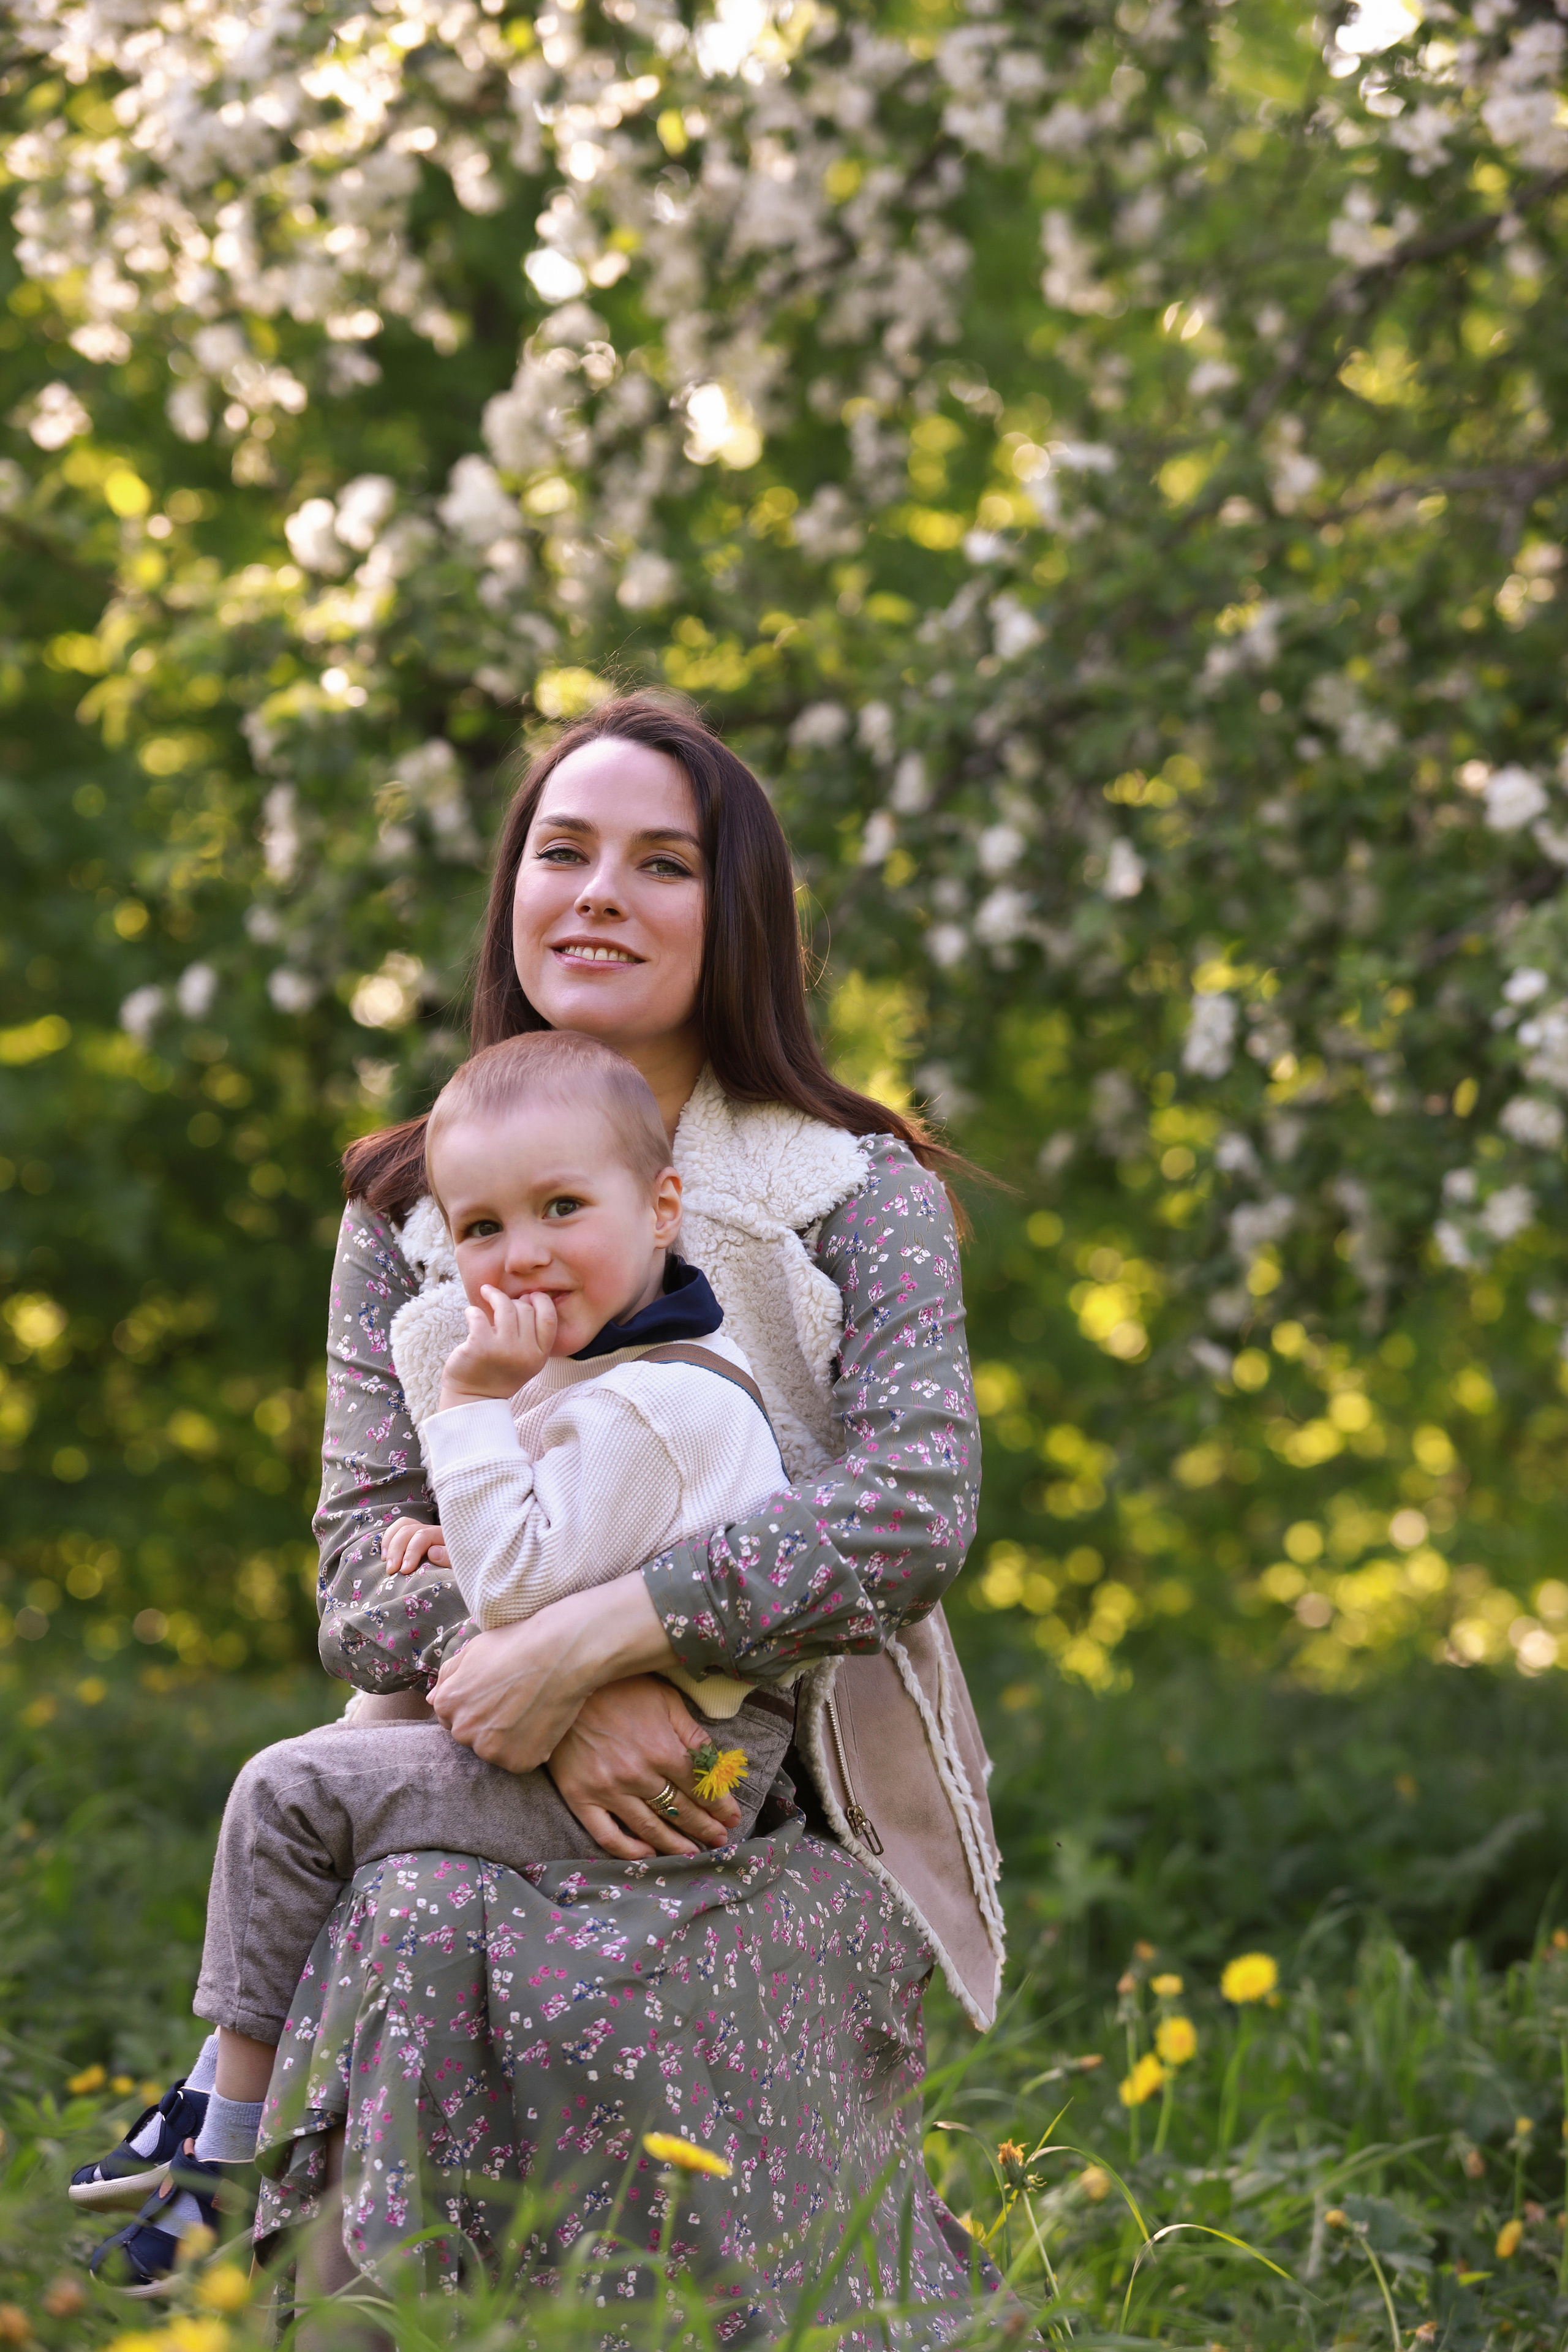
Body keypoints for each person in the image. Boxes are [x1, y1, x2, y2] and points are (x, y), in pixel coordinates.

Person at [207, 693, 1004, 2331]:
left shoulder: (861, 1189)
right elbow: (362, 1580)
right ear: (512, 888)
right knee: (414, 1902)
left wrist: (609, 1638)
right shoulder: (408, 1207)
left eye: (662, 864)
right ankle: (341, 2296)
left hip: (783, 1781)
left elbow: (912, 1506)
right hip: (473, 1738)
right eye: (561, 851)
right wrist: (552, 1700)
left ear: (737, 919)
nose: (598, 893)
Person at [77, 1030, 799, 2293]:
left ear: (661, 1209)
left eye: (561, 1209)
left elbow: (523, 1586)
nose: (518, 1253)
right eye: (480, 1229)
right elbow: (539, 1557)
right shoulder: (600, 1369)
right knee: (365, 1722)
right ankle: (222, 2117)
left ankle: (214, 2141)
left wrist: (465, 1411)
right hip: (628, 1729)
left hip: (690, 1772)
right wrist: (449, 1530)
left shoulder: (664, 1402)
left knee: (288, 1791)